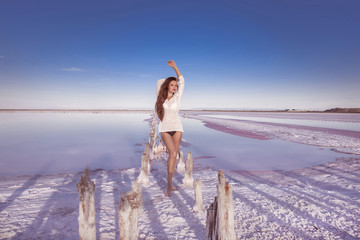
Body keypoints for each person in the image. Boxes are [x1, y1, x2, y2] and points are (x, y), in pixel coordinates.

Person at [155, 60, 184, 197]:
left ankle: (170, 184)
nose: (175, 87)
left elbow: (182, 80)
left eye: (175, 86)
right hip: (164, 128)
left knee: (174, 155)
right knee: (172, 153)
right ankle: (169, 185)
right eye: (172, 85)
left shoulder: (177, 97)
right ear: (167, 86)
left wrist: (175, 68)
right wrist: (167, 81)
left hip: (177, 128)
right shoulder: (160, 97)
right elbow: (159, 82)